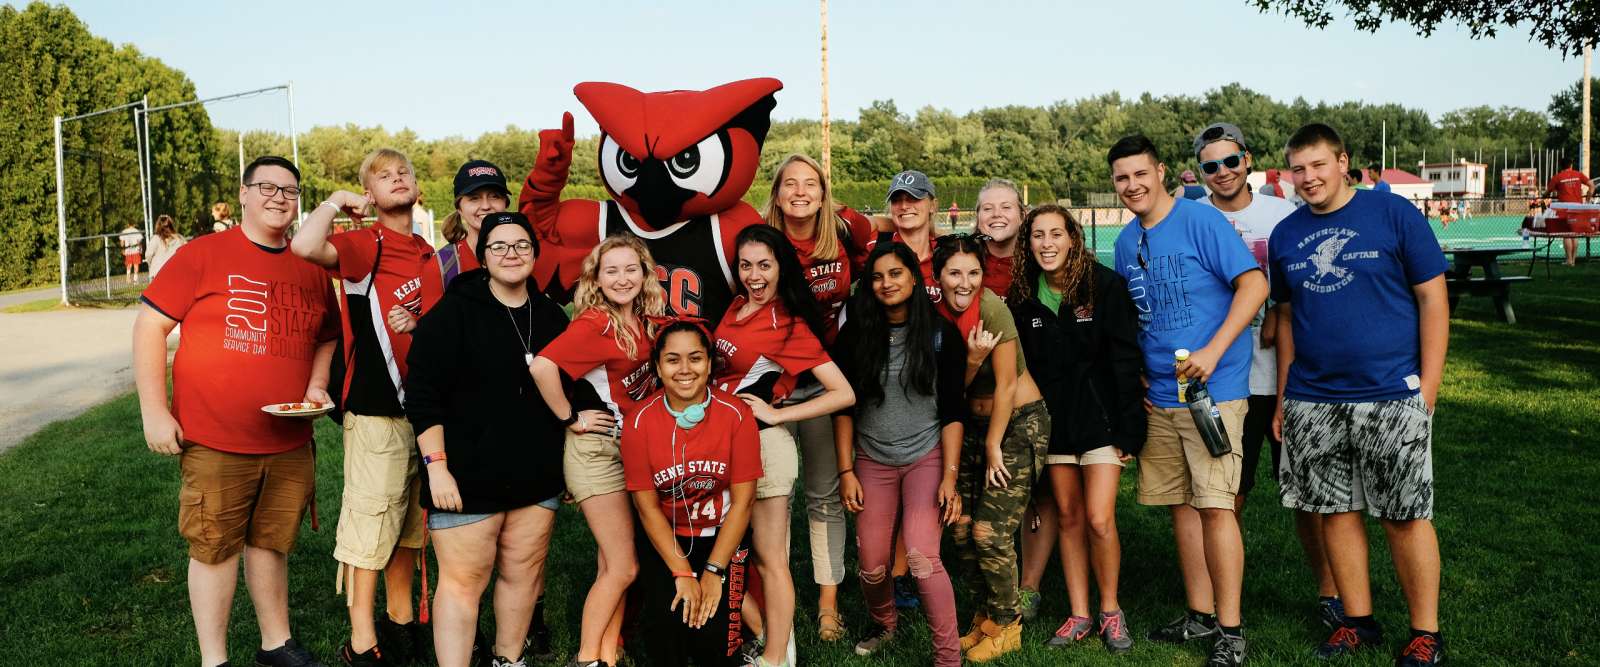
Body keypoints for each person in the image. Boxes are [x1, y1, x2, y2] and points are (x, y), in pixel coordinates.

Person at [134, 155, 338, 667]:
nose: (278, 197)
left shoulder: (310, 266)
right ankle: (215, 659)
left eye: (290, 191)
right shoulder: (204, 253)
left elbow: (328, 336)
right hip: (215, 438)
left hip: (288, 439)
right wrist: (154, 412)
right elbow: (149, 326)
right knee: (214, 547)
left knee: (271, 543)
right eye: (266, 187)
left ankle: (276, 644)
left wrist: (316, 383)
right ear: (243, 194)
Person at [1270, 123, 1450, 667]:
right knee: (1335, 511)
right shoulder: (1285, 235)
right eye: (1298, 169)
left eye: (1318, 165)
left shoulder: (1393, 215)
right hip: (1312, 398)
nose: (1308, 178)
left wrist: (1430, 390)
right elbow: (1285, 320)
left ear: (1343, 162)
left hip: (1391, 391)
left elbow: (1433, 302)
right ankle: (1357, 620)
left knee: (1404, 514)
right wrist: (1284, 398)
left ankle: (1425, 632)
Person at [1108, 134, 1267, 667]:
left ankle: (1231, 629)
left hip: (1213, 392)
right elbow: (1138, 319)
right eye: (1121, 178)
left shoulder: (1201, 220)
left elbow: (1253, 285)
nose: (1132, 185)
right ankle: (1200, 616)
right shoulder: (1126, 242)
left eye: (1139, 174)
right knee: (1182, 504)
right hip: (1160, 397)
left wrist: (1213, 351)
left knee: (1217, 505)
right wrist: (1138, 385)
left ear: (1162, 172)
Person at [291, 148, 440, 666]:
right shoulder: (363, 243)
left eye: (404, 173)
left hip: (423, 414)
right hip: (377, 413)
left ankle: (400, 628)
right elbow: (306, 244)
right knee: (369, 530)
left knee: (408, 533)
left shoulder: (427, 250)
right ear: (370, 194)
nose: (397, 179)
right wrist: (335, 200)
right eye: (383, 176)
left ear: (418, 189)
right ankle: (361, 643)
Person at [1191, 123, 1344, 629]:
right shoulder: (1192, 219)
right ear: (1199, 172)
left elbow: (1299, 297)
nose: (1222, 172)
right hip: (1222, 382)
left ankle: (1331, 592)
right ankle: (1219, 598)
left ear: (1247, 160)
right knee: (1225, 495)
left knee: (1307, 493)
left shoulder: (1283, 216)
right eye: (1210, 165)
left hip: (1285, 376)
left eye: (1230, 161)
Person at [403, 212, 566, 667]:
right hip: (466, 475)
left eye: (520, 245)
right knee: (462, 582)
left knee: (521, 575)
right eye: (499, 246)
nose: (510, 254)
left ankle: (507, 660)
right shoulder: (454, 312)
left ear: (534, 253)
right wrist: (437, 467)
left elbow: (574, 386)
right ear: (481, 253)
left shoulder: (552, 316)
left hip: (536, 476)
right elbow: (421, 393)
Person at [711, 225, 856, 664]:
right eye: (746, 265)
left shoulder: (786, 323)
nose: (754, 275)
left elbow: (843, 393)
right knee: (728, 548)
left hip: (763, 446)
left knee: (768, 555)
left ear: (781, 268)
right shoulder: (736, 305)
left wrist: (777, 413)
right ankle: (768, 637)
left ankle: (777, 656)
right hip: (725, 443)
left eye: (765, 265)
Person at [1007, 204, 1143, 655]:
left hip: (1101, 423)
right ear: (1028, 243)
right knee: (1067, 516)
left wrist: (1129, 429)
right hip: (1053, 427)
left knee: (1101, 518)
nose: (1047, 244)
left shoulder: (1105, 287)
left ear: (1073, 238)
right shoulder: (1022, 296)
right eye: (1037, 236)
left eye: (1055, 234)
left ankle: (1110, 609)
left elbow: (1125, 359)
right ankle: (1080, 614)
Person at [529, 234, 665, 667]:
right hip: (597, 453)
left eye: (631, 269)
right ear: (597, 278)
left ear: (644, 274)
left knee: (614, 564)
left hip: (628, 449)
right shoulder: (596, 324)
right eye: (612, 271)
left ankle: (607, 656)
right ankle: (587, 659)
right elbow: (543, 367)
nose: (622, 279)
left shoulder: (642, 320)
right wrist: (570, 417)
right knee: (624, 567)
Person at [757, 154, 875, 640]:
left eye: (811, 184)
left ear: (825, 193)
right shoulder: (761, 235)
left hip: (828, 381)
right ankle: (774, 594)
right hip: (775, 384)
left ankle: (828, 603)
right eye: (791, 184)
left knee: (825, 492)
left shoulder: (845, 229)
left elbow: (878, 237)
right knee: (774, 496)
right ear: (777, 192)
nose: (800, 192)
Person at [833, 243, 966, 667]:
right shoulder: (855, 334)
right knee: (872, 564)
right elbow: (843, 406)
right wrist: (846, 470)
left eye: (895, 274)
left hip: (925, 456)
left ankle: (948, 656)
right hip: (872, 459)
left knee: (923, 559)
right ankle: (884, 623)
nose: (886, 283)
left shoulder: (941, 333)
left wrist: (949, 475)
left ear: (913, 277)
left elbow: (952, 411)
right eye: (877, 276)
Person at [930, 234, 1049, 662]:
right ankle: (987, 615)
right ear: (938, 275)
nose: (965, 283)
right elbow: (946, 393)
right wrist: (971, 361)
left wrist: (996, 444)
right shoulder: (934, 316)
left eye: (974, 273)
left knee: (989, 531)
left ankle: (1009, 623)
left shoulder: (992, 308)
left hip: (1017, 424)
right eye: (955, 273)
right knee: (960, 527)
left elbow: (1006, 386)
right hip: (969, 424)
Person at [623, 320, 761, 666]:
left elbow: (743, 503)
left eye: (695, 358)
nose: (685, 370)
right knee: (667, 634)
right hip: (667, 540)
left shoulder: (737, 415)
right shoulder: (638, 423)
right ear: (657, 366)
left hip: (722, 539)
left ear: (710, 363)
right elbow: (647, 509)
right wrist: (683, 574)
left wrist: (713, 572)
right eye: (672, 360)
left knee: (714, 644)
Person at [865, 170, 944, 303]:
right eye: (896, 200)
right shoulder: (873, 245)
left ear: (933, 205)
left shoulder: (946, 251)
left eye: (914, 198)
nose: (904, 206)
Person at [973, 178, 1027, 298]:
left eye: (1006, 207)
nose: (996, 214)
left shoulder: (1038, 263)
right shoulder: (960, 259)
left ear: (1022, 216)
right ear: (978, 217)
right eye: (987, 208)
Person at [1546, 157, 1593, 265]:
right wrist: (1588, 198)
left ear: (1561, 166)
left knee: (1566, 234)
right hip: (1577, 208)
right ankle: (1573, 260)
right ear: (1571, 165)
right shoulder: (1578, 174)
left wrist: (1544, 196)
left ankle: (1569, 260)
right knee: (1574, 234)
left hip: (1564, 209)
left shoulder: (1557, 177)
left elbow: (1548, 191)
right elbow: (1592, 185)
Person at [146, 214, 187, 278]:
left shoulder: (155, 239)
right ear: (171, 225)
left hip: (158, 273)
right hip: (176, 272)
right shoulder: (180, 238)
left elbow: (148, 255)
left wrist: (151, 264)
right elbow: (187, 252)